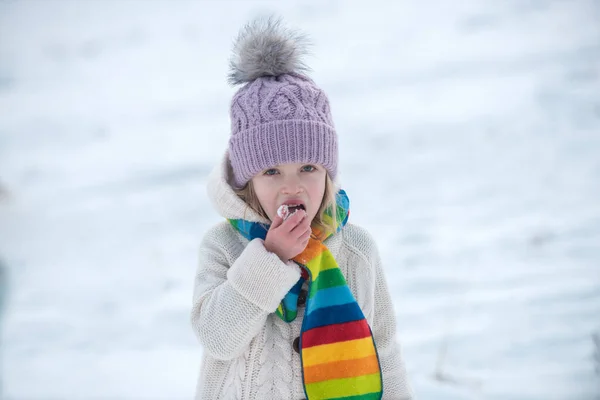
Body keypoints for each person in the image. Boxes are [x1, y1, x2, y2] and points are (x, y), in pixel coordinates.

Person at [191, 17, 413, 400]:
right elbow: (217, 337)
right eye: (272, 171)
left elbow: (385, 353)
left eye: (308, 168)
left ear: (327, 173)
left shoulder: (357, 250)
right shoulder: (223, 246)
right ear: (247, 182)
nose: (291, 186)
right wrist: (270, 258)